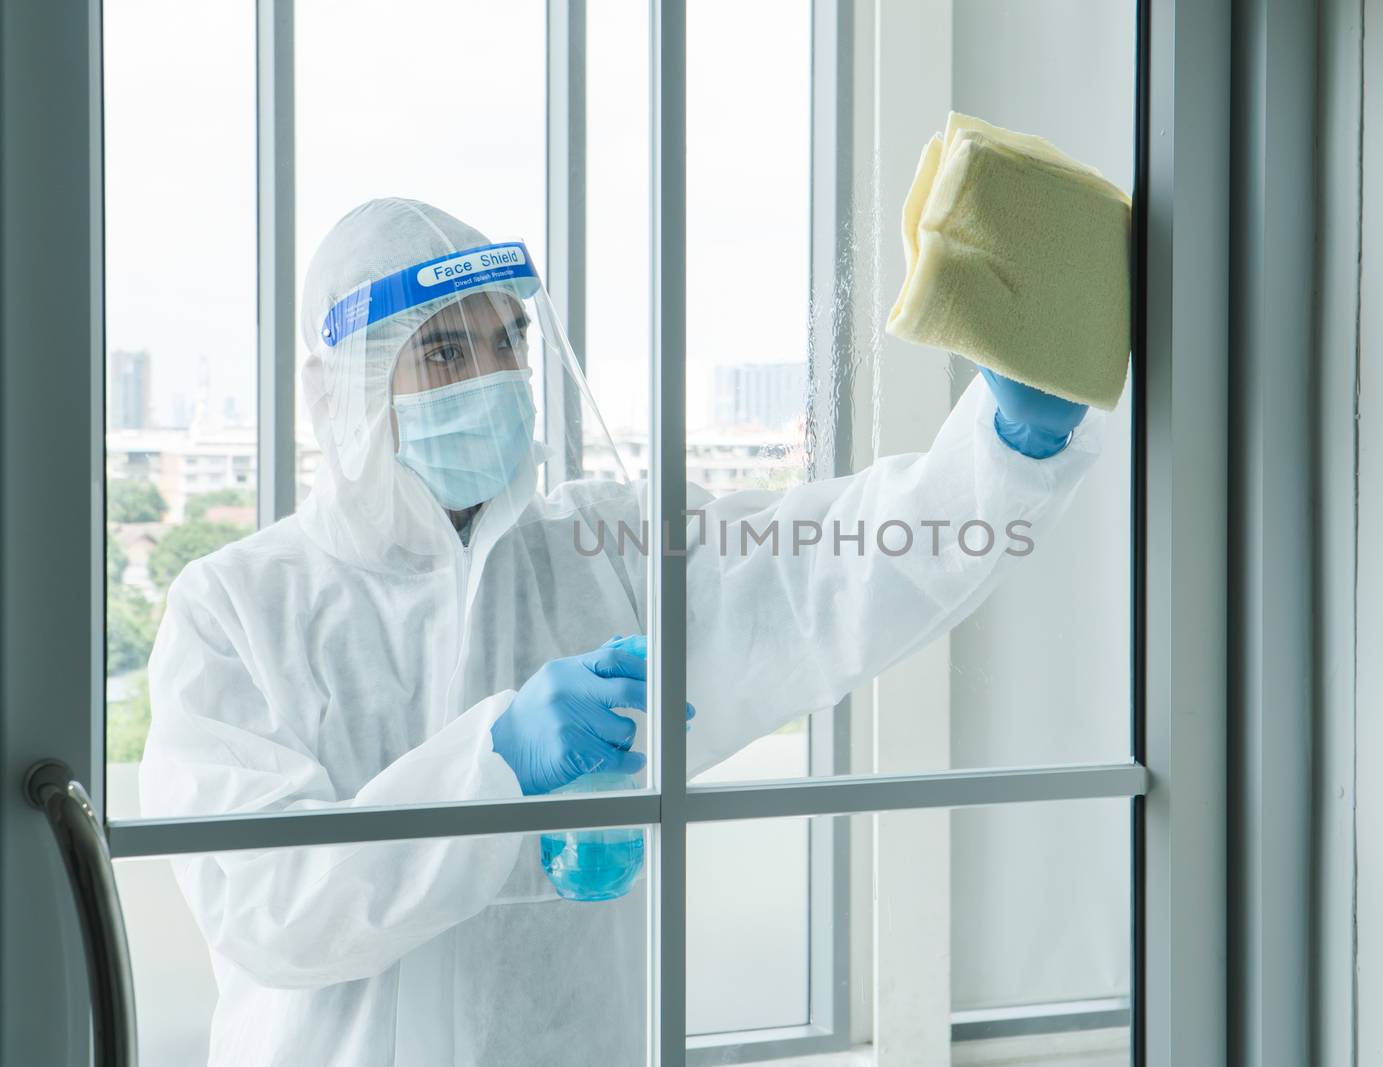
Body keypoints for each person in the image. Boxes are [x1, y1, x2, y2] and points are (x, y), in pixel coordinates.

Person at [140, 197, 1101, 1065]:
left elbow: (821, 574)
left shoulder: (600, 552)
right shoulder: (235, 610)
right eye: (444, 351)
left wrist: (1002, 450)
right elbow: (269, 907)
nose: (492, 374)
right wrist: (496, 761)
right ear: (340, 392)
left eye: (508, 339)